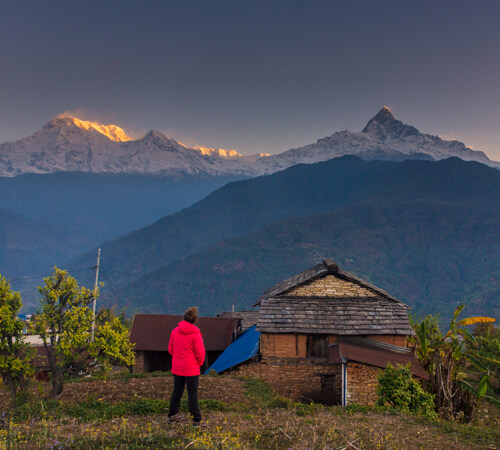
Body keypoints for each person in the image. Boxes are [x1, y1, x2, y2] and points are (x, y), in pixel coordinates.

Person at [167, 306, 206, 426]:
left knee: (177, 391)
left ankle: (172, 415)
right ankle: (196, 419)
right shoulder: (196, 334)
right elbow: (200, 353)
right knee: (192, 394)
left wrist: (178, 359)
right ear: (194, 320)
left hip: (178, 367)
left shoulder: (174, 332)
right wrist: (199, 363)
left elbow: (170, 349)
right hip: (192, 368)